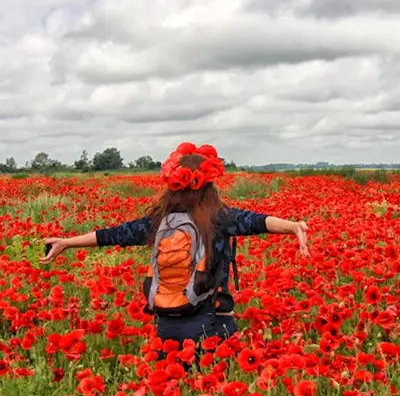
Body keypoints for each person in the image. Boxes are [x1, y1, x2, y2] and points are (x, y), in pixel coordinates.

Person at [40, 142, 309, 345]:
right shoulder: (219, 217)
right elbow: (258, 221)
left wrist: (67, 242)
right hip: (211, 326)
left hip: (166, 327)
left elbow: (113, 234)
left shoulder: (159, 220)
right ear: (208, 184)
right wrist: (292, 226)